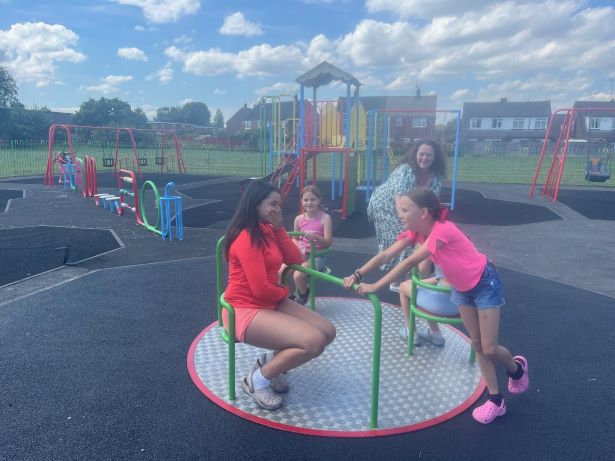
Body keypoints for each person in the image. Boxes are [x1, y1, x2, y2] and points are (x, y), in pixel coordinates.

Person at [344, 188, 528, 424]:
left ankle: (516, 369)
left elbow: (411, 261)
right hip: (462, 289)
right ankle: (496, 400)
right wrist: (358, 275)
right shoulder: (415, 233)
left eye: (404, 210)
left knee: (490, 347)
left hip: (484, 284)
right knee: (477, 343)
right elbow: (385, 255)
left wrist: (375, 285)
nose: (399, 214)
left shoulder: (442, 230)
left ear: (422, 212)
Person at [223, 180, 336, 411]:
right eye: (272, 204)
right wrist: (286, 292)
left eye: (279, 204)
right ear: (255, 204)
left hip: (268, 301)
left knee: (327, 332)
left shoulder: (266, 229)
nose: (277, 209)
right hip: (245, 309)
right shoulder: (246, 238)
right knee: (312, 343)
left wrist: (279, 229)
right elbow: (260, 290)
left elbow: (294, 258)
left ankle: (271, 363)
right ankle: (257, 380)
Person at [366, 140, 446, 290]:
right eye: (421, 154)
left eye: (429, 155)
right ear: (415, 155)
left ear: (435, 157)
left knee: (415, 237)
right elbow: (400, 201)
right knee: (402, 237)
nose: (424, 158)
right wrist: (411, 222)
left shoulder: (436, 176)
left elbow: (431, 201)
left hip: (410, 208)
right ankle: (398, 279)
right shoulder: (406, 171)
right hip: (386, 205)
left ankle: (407, 278)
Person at [288, 184, 333, 305]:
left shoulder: (325, 218)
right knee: (281, 271)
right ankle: (289, 295)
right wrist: (297, 245)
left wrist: (315, 238)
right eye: (306, 200)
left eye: (313, 199)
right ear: (301, 201)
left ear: (319, 200)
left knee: (298, 275)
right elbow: (295, 238)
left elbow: (328, 242)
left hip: (317, 256)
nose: (309, 203)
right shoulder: (299, 219)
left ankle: (304, 293)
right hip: (301, 254)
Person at [398, 260, 458, 346]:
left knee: (404, 287)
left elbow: (422, 270)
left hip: (444, 306)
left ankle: (412, 334)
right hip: (464, 306)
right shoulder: (470, 249)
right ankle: (436, 334)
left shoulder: (436, 248)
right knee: (426, 287)